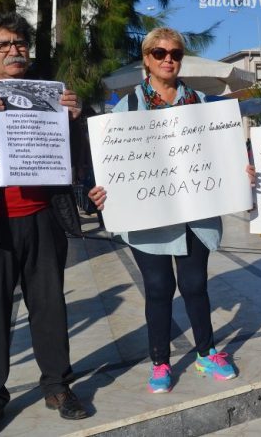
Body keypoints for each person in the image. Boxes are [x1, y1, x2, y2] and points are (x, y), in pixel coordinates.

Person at [0, 12, 88, 436]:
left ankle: (58, 387)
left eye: (20, 43)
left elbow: (80, 155)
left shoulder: (49, 90)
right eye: (3, 44)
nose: (13, 50)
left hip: (43, 216)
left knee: (50, 305)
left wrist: (78, 117)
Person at [88, 27, 236, 395]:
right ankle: (160, 362)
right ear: (146, 58)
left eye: (175, 53)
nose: (168, 59)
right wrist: (101, 190)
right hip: (148, 216)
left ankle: (206, 353)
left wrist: (239, 172)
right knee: (157, 289)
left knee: (195, 285)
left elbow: (224, 154)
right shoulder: (127, 108)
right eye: (159, 52)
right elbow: (109, 163)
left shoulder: (203, 104)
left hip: (195, 213)